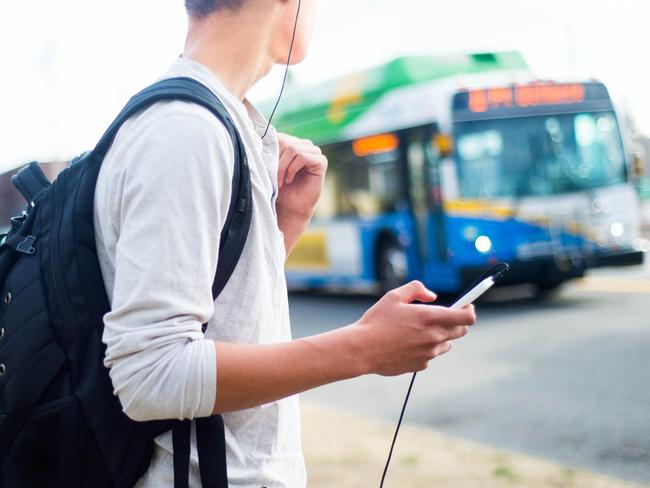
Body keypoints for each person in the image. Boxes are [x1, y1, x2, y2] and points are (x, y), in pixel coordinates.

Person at [92, 0, 477, 486]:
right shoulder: (186, 131)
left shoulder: (214, 122)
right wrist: (363, 347)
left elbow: (222, 315)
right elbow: (151, 374)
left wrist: (285, 223)